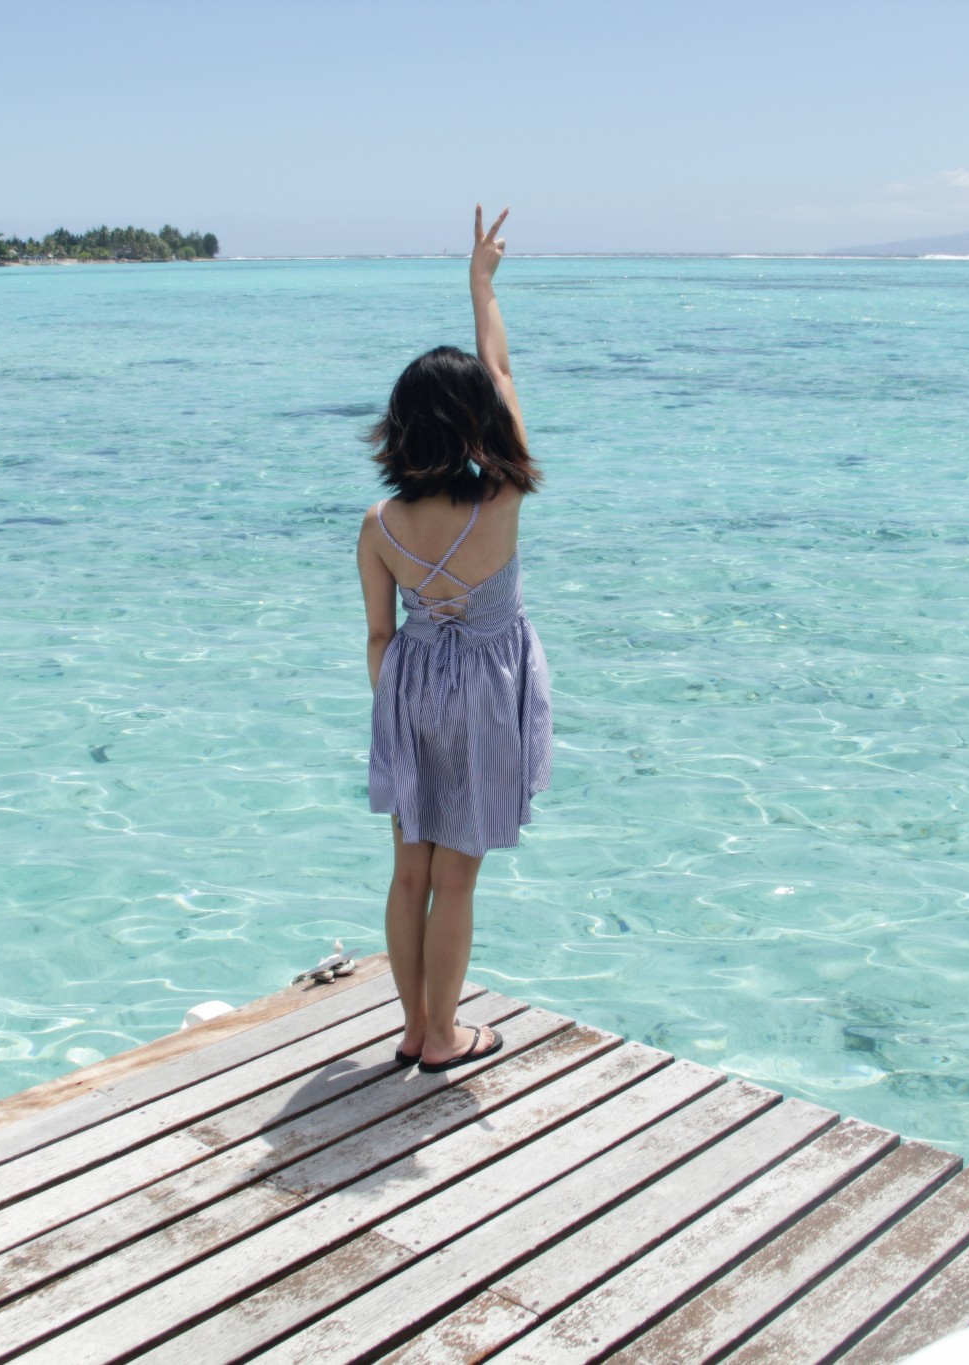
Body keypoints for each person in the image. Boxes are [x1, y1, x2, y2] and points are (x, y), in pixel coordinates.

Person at [357, 206, 551, 1073]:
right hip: (478, 697)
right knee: (458, 879)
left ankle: (408, 1028)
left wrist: (400, 711)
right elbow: (502, 370)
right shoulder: (499, 501)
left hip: (407, 690)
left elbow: (377, 635)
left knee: (409, 874)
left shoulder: (378, 523)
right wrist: (481, 284)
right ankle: (442, 1037)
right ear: (475, 424)